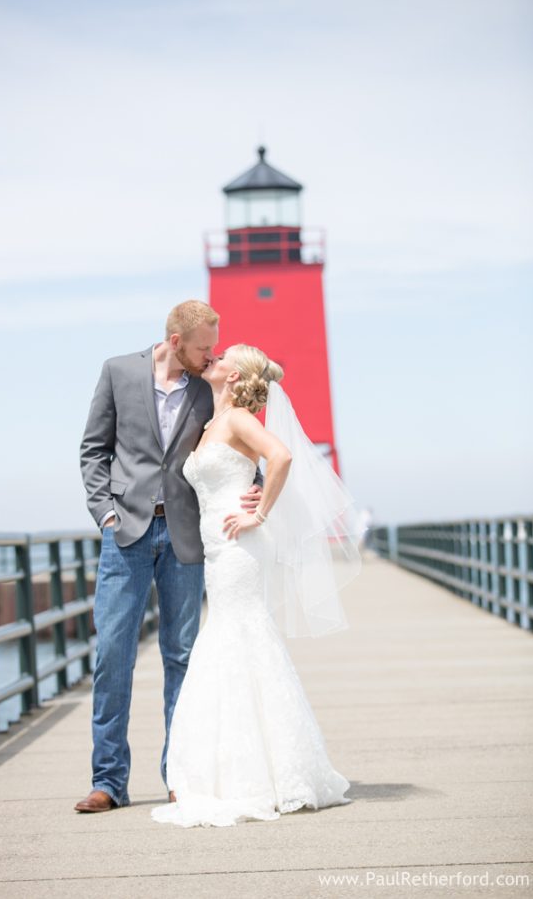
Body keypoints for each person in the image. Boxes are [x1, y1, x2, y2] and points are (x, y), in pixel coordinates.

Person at [150, 344, 362, 828]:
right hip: (218, 548)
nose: (212, 357)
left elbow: (282, 455)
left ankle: (256, 775)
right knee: (236, 639)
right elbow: (252, 462)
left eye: (221, 355)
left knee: (236, 637)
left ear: (233, 375)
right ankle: (249, 769)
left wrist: (260, 511)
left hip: (240, 548)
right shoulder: (212, 421)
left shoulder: (239, 418)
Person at [75, 302, 264, 813]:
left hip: (186, 537)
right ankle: (108, 781)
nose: (213, 355)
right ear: (176, 340)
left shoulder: (208, 387)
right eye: (206, 346)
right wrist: (106, 514)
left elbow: (238, 444)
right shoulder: (117, 371)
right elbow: (93, 450)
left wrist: (255, 490)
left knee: (181, 658)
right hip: (126, 536)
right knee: (113, 655)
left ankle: (178, 773)